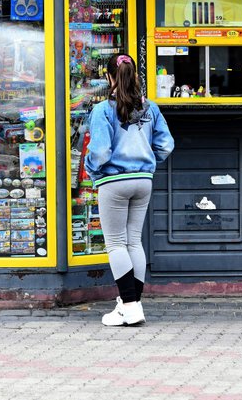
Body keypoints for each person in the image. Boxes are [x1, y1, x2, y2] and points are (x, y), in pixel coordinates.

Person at [85, 53, 174, 326]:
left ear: (110, 77)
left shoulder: (102, 110)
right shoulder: (151, 108)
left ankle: (131, 305)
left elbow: (100, 151)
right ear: (135, 75)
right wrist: (146, 162)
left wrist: (92, 169)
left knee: (115, 244)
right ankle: (130, 305)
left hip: (114, 181)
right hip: (142, 181)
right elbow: (166, 145)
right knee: (134, 241)